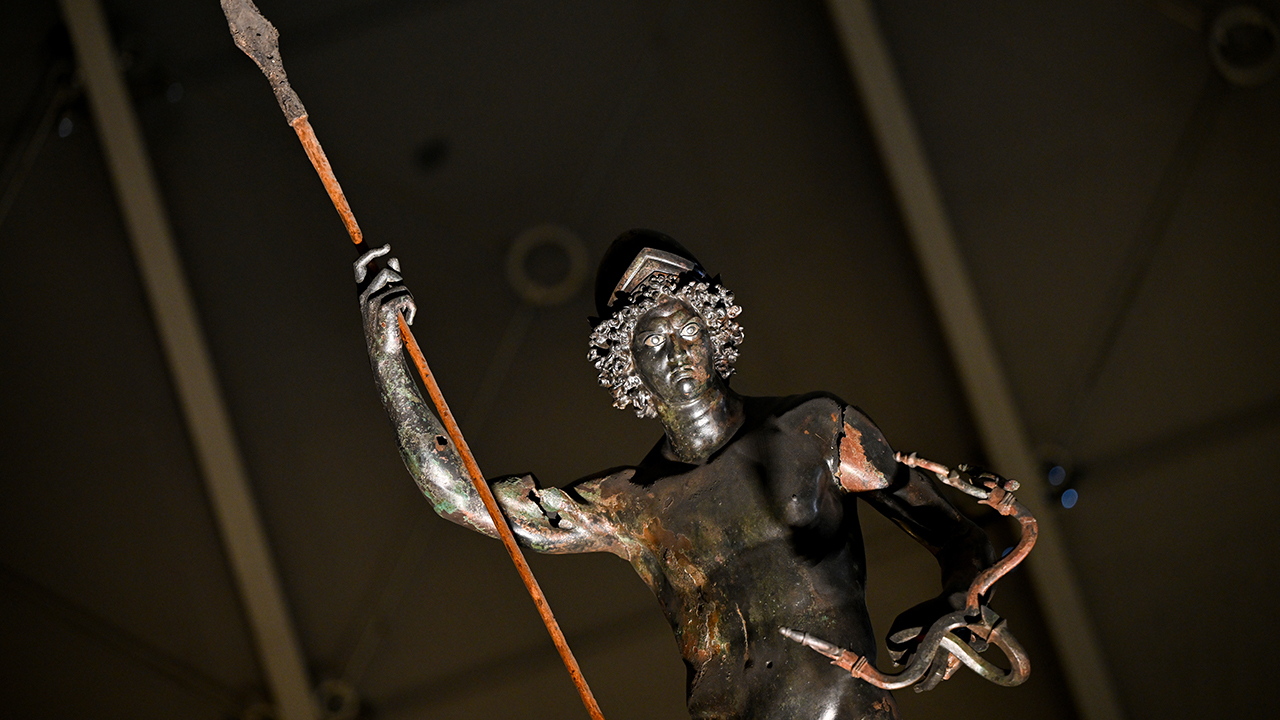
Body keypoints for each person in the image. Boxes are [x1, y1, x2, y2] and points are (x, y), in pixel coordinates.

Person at [357, 229, 997, 720]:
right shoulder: (631, 504)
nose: (678, 351)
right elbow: (460, 498)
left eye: (688, 328)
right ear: (628, 365)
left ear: (714, 331)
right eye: (652, 341)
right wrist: (388, 356)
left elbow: (961, 536)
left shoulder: (814, 429)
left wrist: (959, 606)